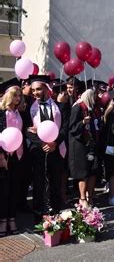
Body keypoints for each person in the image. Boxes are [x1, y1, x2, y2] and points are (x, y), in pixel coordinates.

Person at [26, 75, 68, 223]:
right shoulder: (29, 109)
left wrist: (54, 143)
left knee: (55, 181)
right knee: (39, 183)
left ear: (46, 88)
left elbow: (64, 128)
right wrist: (41, 144)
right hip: (38, 151)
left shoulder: (59, 107)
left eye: (38, 89)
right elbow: (27, 131)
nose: (36, 93)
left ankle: (56, 214)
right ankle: (39, 216)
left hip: (55, 150)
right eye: (33, 90)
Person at [0, 78, 23, 237]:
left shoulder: (18, 113)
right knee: (3, 190)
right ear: (9, 96)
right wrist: (1, 156)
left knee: (14, 188)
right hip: (3, 156)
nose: (18, 98)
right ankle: (2, 221)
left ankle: (12, 219)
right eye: (16, 95)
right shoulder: (1, 114)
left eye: (20, 96)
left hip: (17, 156)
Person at [69, 89, 99, 207]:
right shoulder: (78, 108)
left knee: (93, 171)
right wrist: (82, 122)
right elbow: (72, 128)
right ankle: (82, 198)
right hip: (80, 145)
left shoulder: (92, 109)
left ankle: (90, 196)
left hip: (91, 144)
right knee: (83, 173)